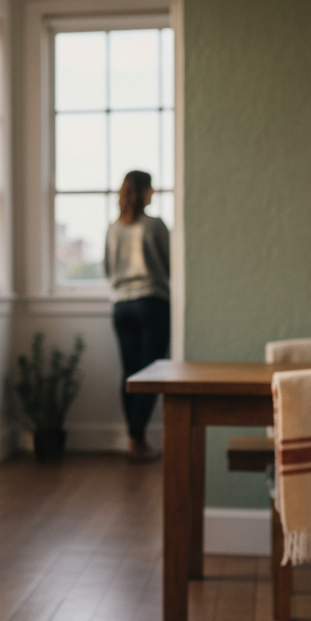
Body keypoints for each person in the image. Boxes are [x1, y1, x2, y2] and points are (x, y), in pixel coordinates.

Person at [104, 170, 170, 462]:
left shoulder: (113, 228)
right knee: (150, 372)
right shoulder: (155, 225)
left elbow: (107, 269)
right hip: (151, 303)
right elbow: (171, 264)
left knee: (129, 373)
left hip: (121, 306)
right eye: (151, 188)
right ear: (143, 191)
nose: (154, 193)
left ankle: (133, 437)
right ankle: (137, 437)